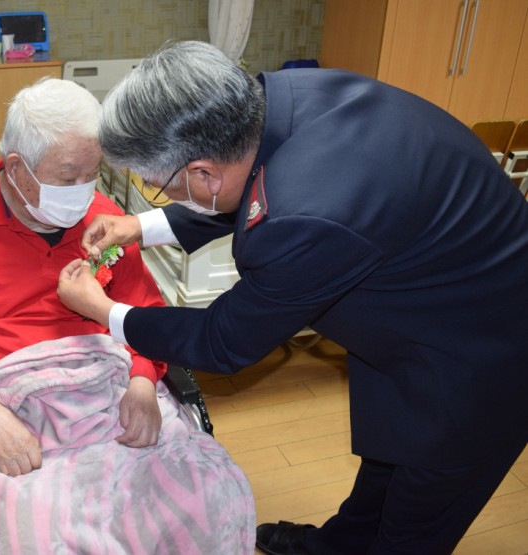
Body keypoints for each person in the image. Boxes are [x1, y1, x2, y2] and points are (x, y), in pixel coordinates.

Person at [57, 40, 528, 555]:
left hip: (483, 359)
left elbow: (222, 340)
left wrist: (104, 311)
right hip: (424, 303)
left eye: (156, 185)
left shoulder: (303, 215)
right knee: (385, 467)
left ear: (202, 172)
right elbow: (248, 186)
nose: (159, 191)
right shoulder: (276, 102)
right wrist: (140, 227)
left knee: (415, 521)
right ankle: (337, 547)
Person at [0, 78, 169, 477]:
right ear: (16, 167)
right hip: (7, 396)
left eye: (92, 174)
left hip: (106, 384)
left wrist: (143, 381)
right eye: (67, 178)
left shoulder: (104, 218)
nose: (83, 191)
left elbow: (146, 311)